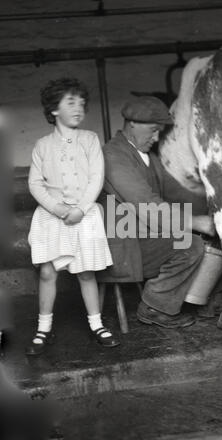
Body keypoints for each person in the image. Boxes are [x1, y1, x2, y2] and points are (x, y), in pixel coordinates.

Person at [100, 95, 216, 329]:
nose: (156, 138)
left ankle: (208, 300)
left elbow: (178, 192)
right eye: (153, 131)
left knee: (211, 240)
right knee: (189, 244)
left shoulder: (148, 157)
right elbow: (148, 207)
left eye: (159, 132)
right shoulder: (113, 156)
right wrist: (197, 222)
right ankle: (155, 306)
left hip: (143, 234)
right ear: (132, 123)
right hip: (123, 244)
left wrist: (214, 210)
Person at [26, 78, 119, 356]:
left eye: (81, 103)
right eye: (70, 102)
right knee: (46, 272)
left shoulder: (90, 140)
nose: (78, 108)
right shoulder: (42, 145)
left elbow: (96, 178)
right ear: (54, 109)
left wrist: (80, 208)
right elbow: (35, 183)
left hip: (84, 213)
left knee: (86, 271)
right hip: (51, 216)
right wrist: (57, 208)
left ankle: (96, 324)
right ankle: (43, 328)